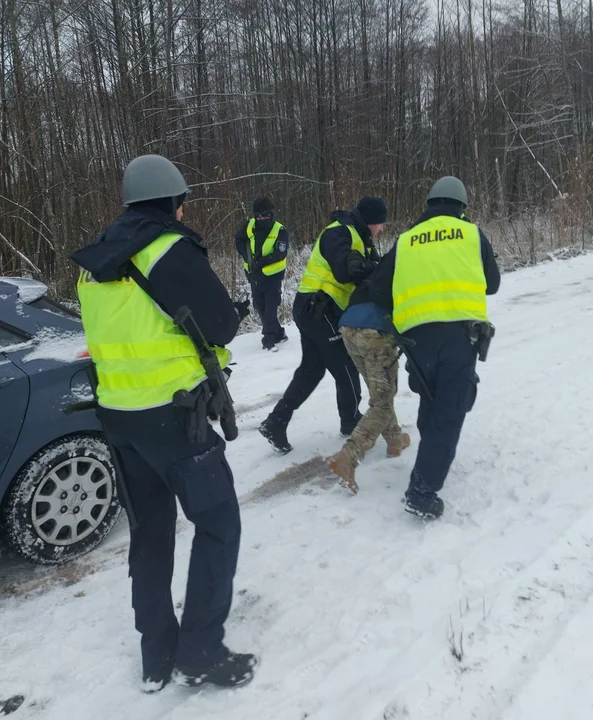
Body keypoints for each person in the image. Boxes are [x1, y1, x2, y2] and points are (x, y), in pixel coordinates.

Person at [72, 155, 256, 692]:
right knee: (218, 524)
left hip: (120, 420)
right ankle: (200, 650)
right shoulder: (168, 249)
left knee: (151, 536)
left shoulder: (92, 263)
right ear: (172, 202)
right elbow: (220, 324)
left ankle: (156, 656)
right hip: (177, 420)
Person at [369, 176, 501, 519]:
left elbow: (381, 290)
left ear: (430, 204)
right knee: (451, 408)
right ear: (462, 206)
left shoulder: (407, 239)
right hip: (460, 335)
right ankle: (422, 491)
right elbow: (493, 284)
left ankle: (429, 459)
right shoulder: (472, 234)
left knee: (432, 397)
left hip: (416, 338)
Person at [259, 196, 386, 454]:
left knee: (312, 370)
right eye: (380, 224)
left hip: (316, 310)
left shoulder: (360, 238)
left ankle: (276, 422)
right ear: (370, 221)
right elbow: (344, 269)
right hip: (319, 308)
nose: (382, 229)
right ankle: (351, 422)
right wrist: (368, 268)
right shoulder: (339, 232)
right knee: (346, 366)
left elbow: (375, 271)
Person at [328, 280, 411, 494]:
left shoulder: (383, 269)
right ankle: (349, 456)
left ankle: (395, 440)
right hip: (375, 332)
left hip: (348, 328)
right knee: (382, 402)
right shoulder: (410, 269)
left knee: (380, 392)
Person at [235, 197, 289, 351]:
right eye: (259, 216)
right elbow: (238, 239)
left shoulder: (280, 230)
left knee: (271, 307)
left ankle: (269, 339)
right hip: (254, 276)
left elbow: (281, 253)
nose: (262, 218)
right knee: (260, 307)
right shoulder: (250, 225)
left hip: (273, 276)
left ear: (271, 214)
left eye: (265, 215)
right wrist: (246, 257)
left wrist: (261, 262)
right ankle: (279, 333)